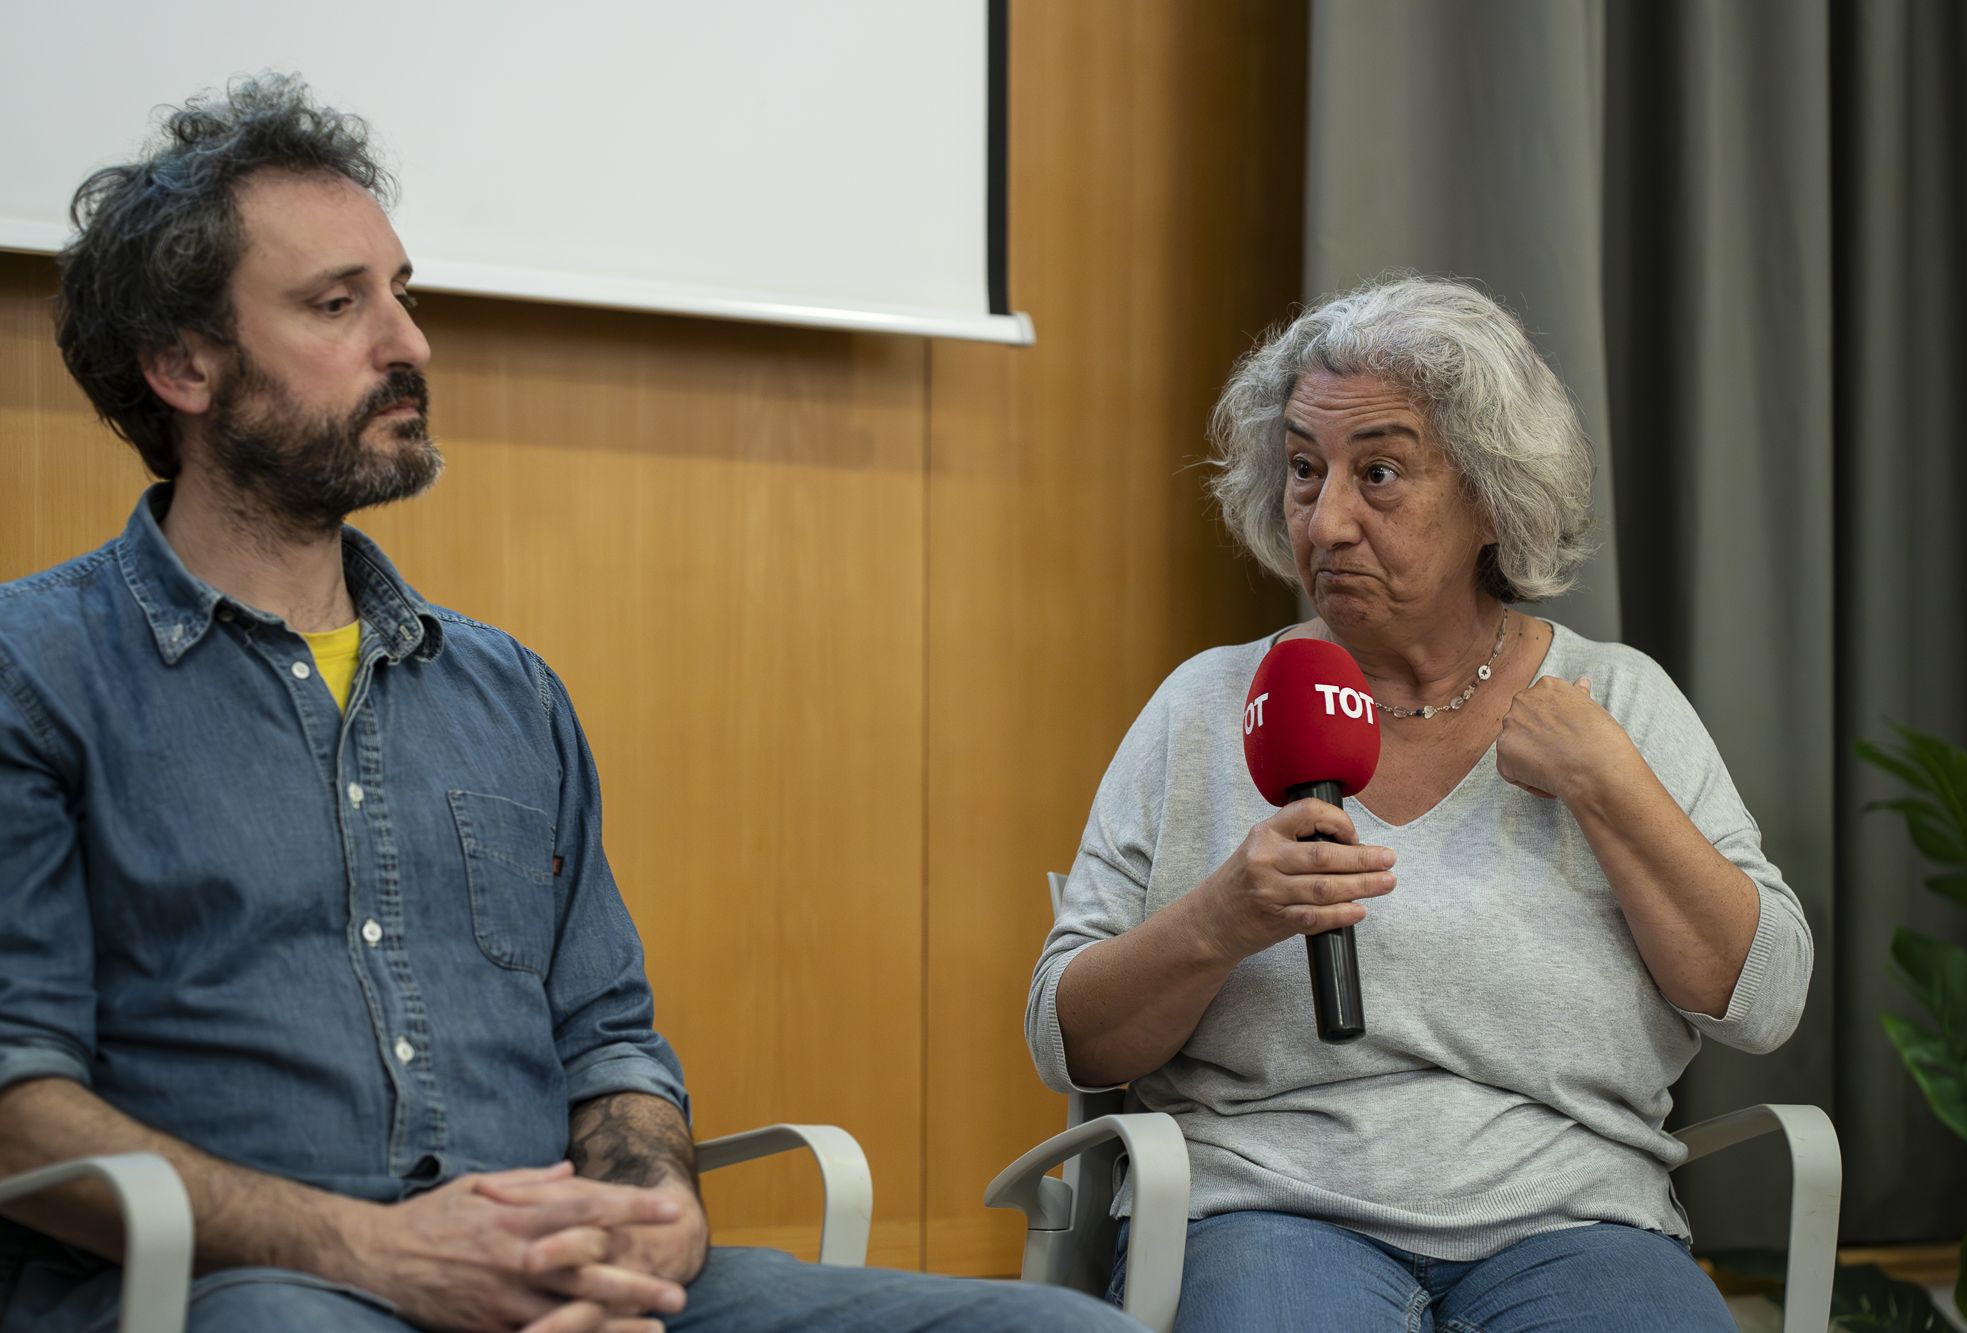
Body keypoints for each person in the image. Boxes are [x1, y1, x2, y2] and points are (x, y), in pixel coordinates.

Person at [0, 76, 1139, 1333]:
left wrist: (646, 1213)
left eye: (402, 293)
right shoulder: (35, 669)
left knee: (1063, 1330)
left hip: (554, 1283)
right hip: (239, 1292)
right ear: (183, 365)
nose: (408, 343)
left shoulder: (504, 691)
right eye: (338, 304)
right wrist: (383, 1253)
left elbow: (610, 1046)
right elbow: (18, 1105)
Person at [1027, 276, 1814, 1331]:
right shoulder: (1205, 707)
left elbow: (1762, 1001)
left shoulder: (1613, 701)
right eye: (1303, 470)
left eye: (1380, 473)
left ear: (1490, 494)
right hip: (1264, 1206)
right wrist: (1220, 920)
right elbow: (1063, 1036)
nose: (1327, 518)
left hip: (1572, 1215)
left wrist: (1609, 785)